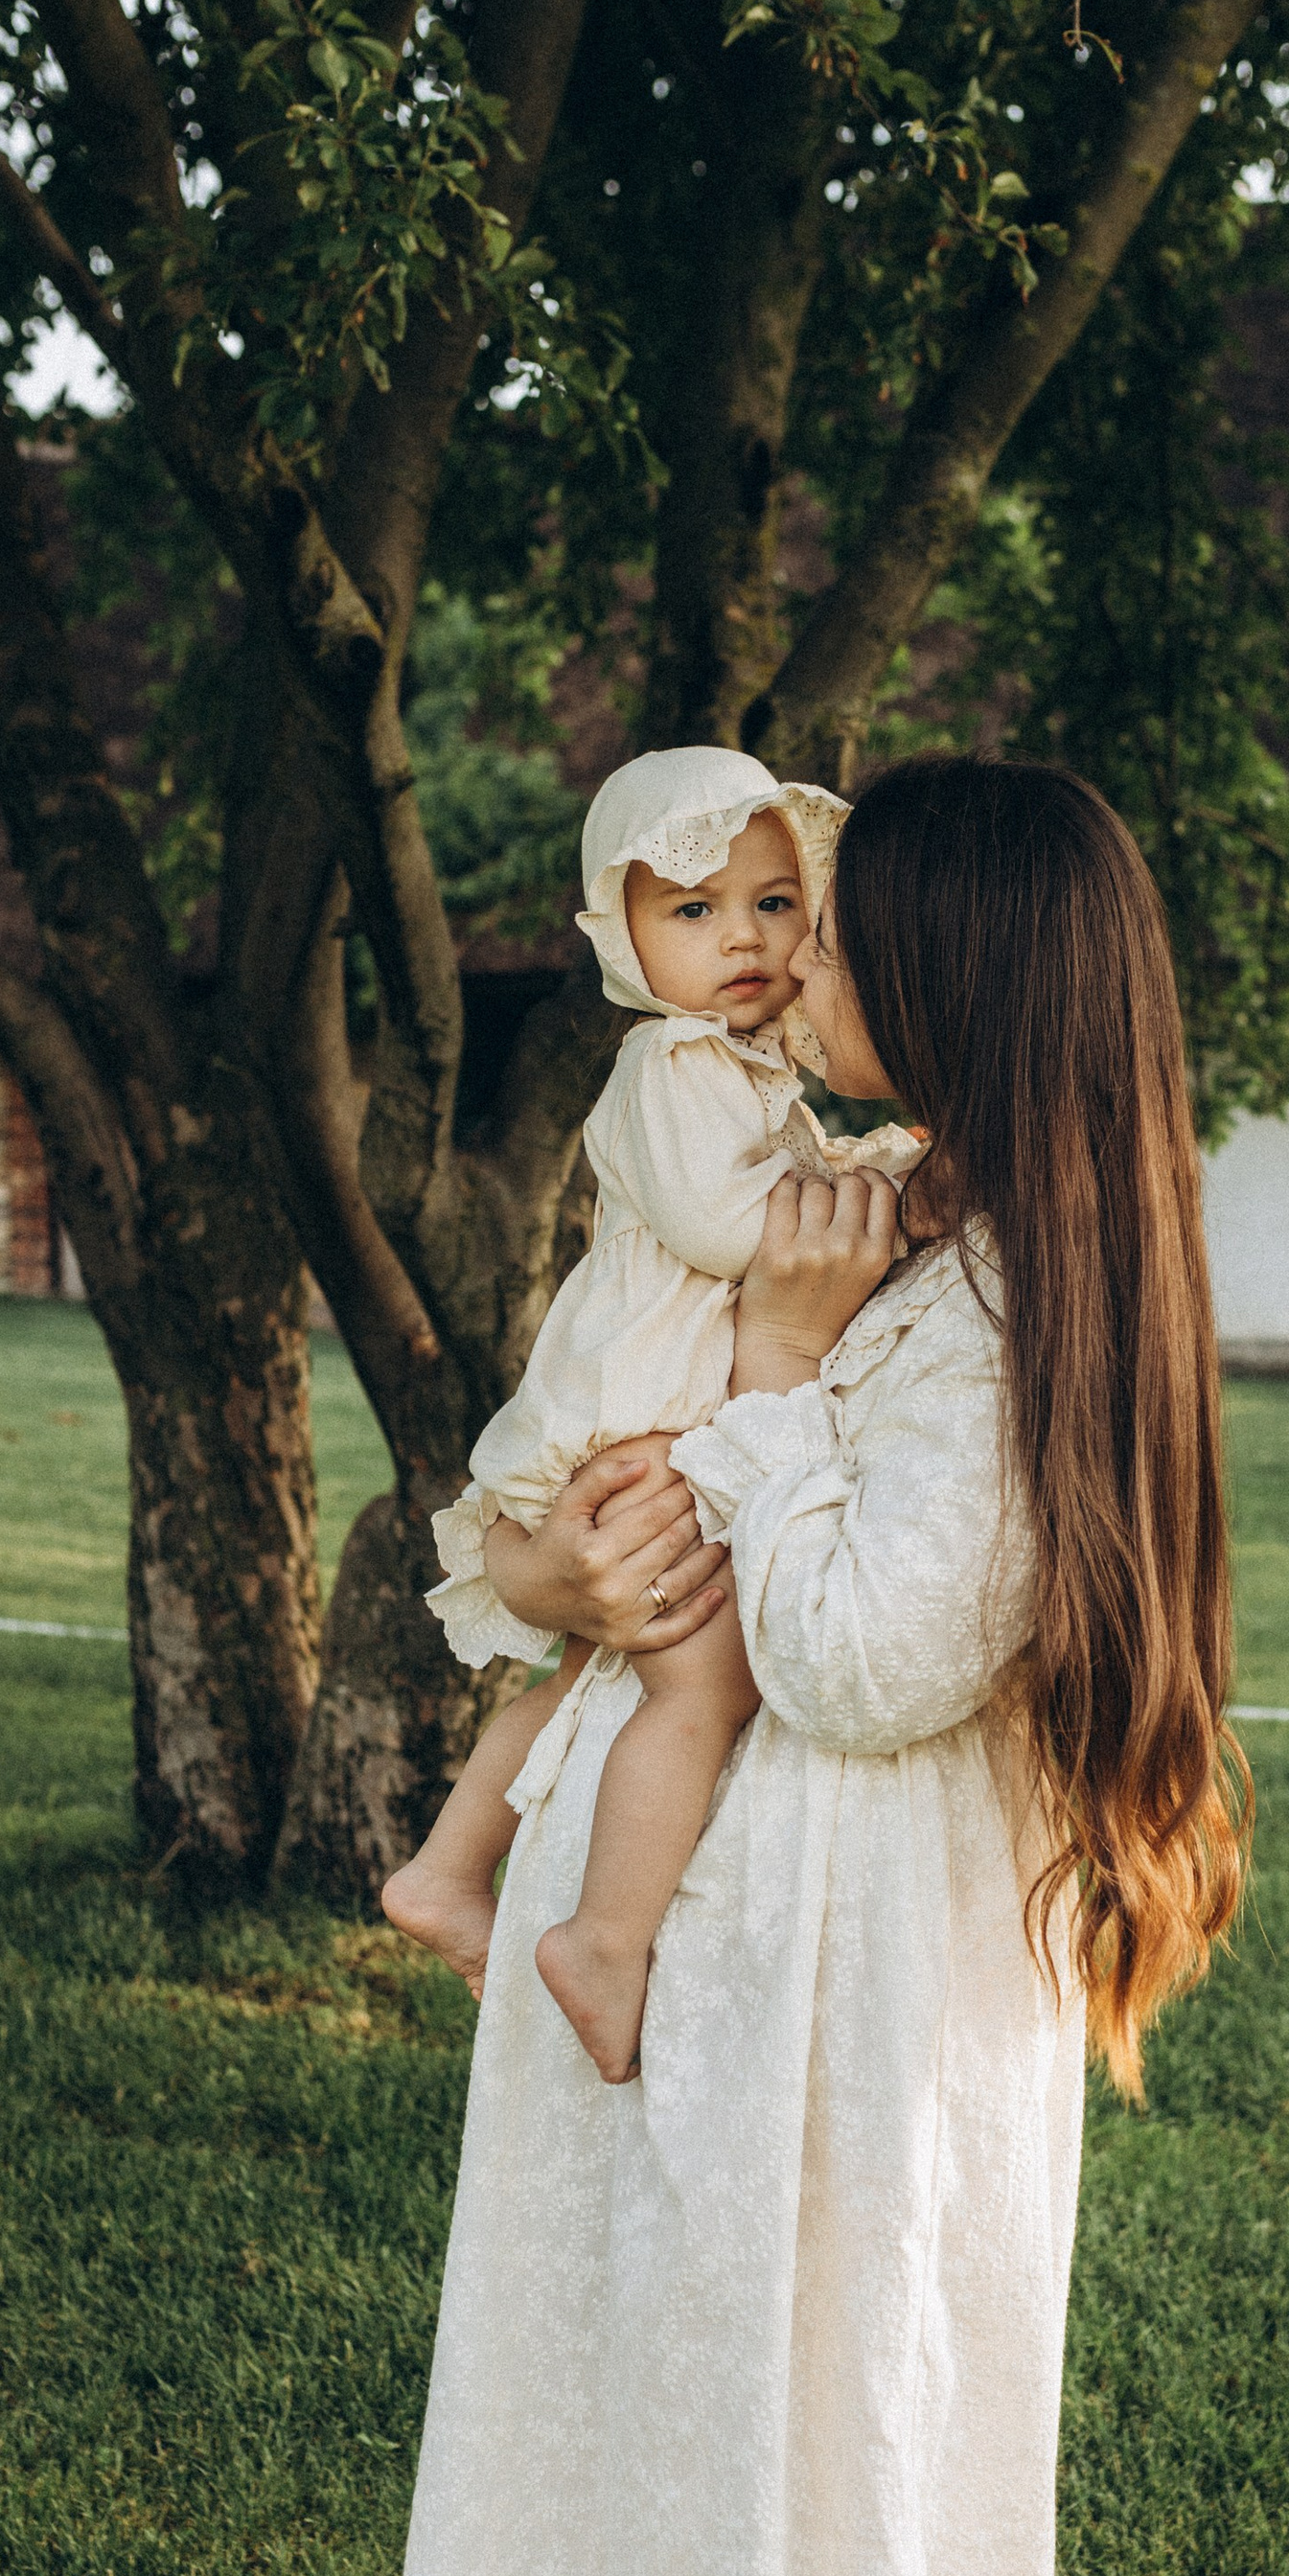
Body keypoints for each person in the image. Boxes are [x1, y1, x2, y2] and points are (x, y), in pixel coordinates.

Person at [377, 754, 1249, 2576]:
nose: (793, 964)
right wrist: (569, 1572)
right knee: (781, 2445)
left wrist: (770, 1370)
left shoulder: (998, 1302)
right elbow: (609, 1538)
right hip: (767, 1990)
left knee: (897, 2464)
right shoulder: (905, 1224)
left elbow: (864, 1656)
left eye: (841, 932)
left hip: (883, 2001)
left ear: (954, 982)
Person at [380, 745, 917, 2083]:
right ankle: (605, 1941)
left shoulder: (744, 1069)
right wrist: (873, 1205)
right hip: (646, 1410)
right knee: (704, 1679)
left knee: (593, 1679)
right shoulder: (670, 1065)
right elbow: (727, 1229)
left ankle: (445, 1871)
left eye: (776, 904)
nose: (744, 938)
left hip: (652, 1406)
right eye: (693, 910)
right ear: (618, 937)